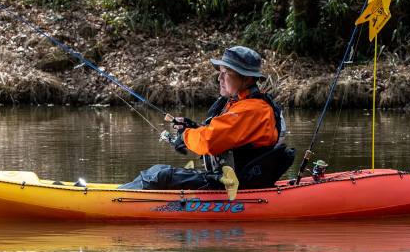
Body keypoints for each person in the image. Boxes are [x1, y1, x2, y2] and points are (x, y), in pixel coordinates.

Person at [118, 46, 294, 191]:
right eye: (220, 72)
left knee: (161, 176)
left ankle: (114, 199)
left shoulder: (252, 109)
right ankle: (119, 193)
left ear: (247, 79)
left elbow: (209, 141)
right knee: (159, 171)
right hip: (230, 181)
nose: (219, 78)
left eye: (226, 73)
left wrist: (185, 136)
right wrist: (194, 128)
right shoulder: (243, 103)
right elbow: (223, 136)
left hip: (235, 186)